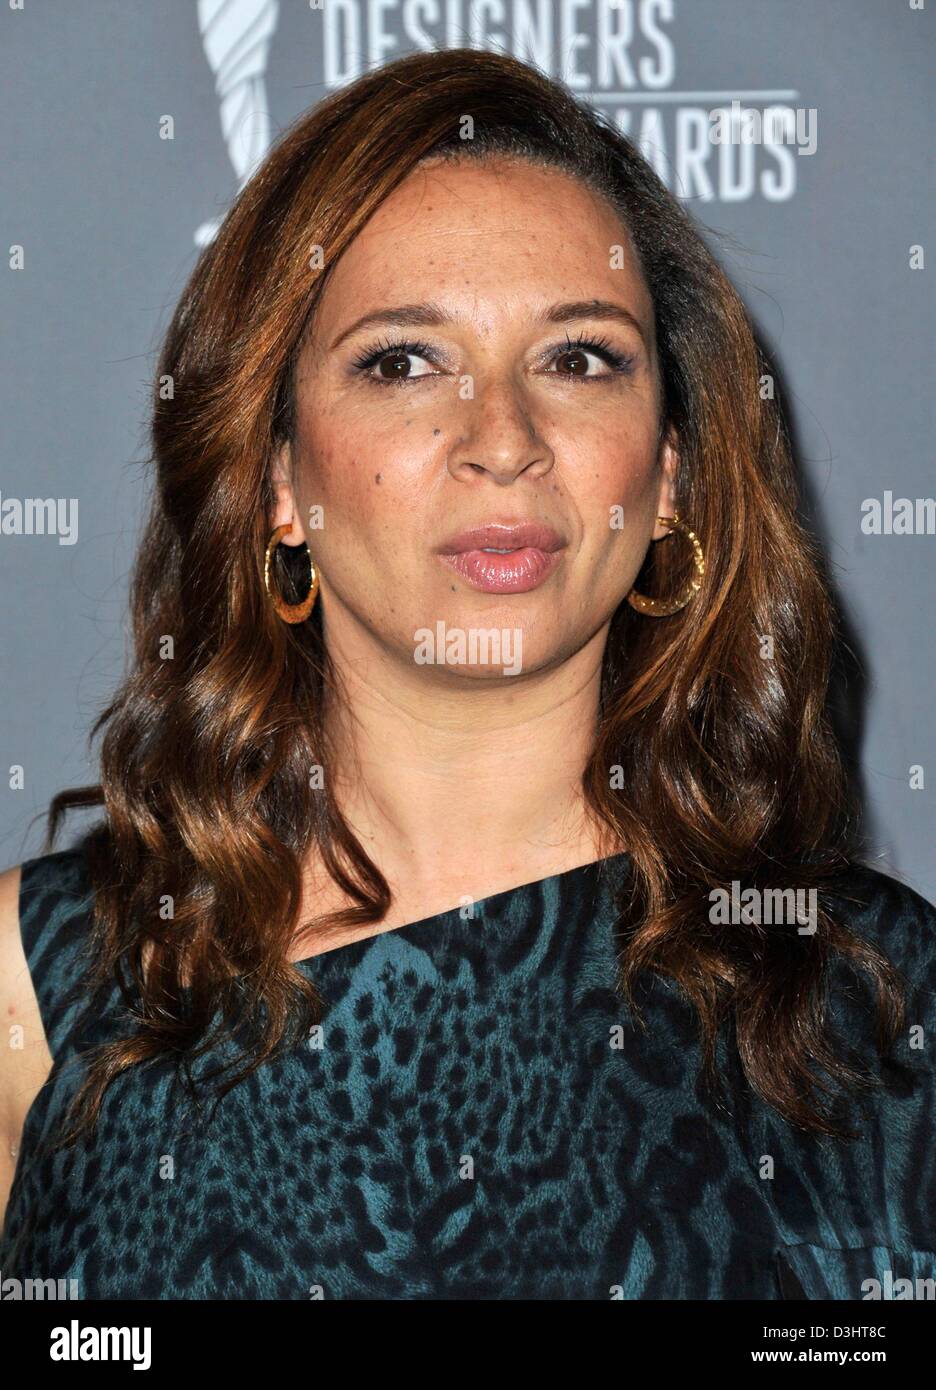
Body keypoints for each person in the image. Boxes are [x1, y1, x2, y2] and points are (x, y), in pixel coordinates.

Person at [1, 47, 934, 1301]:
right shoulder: (38, 983)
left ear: (667, 475)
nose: (504, 440)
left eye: (581, 359)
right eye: (403, 362)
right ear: (276, 477)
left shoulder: (874, 1004)